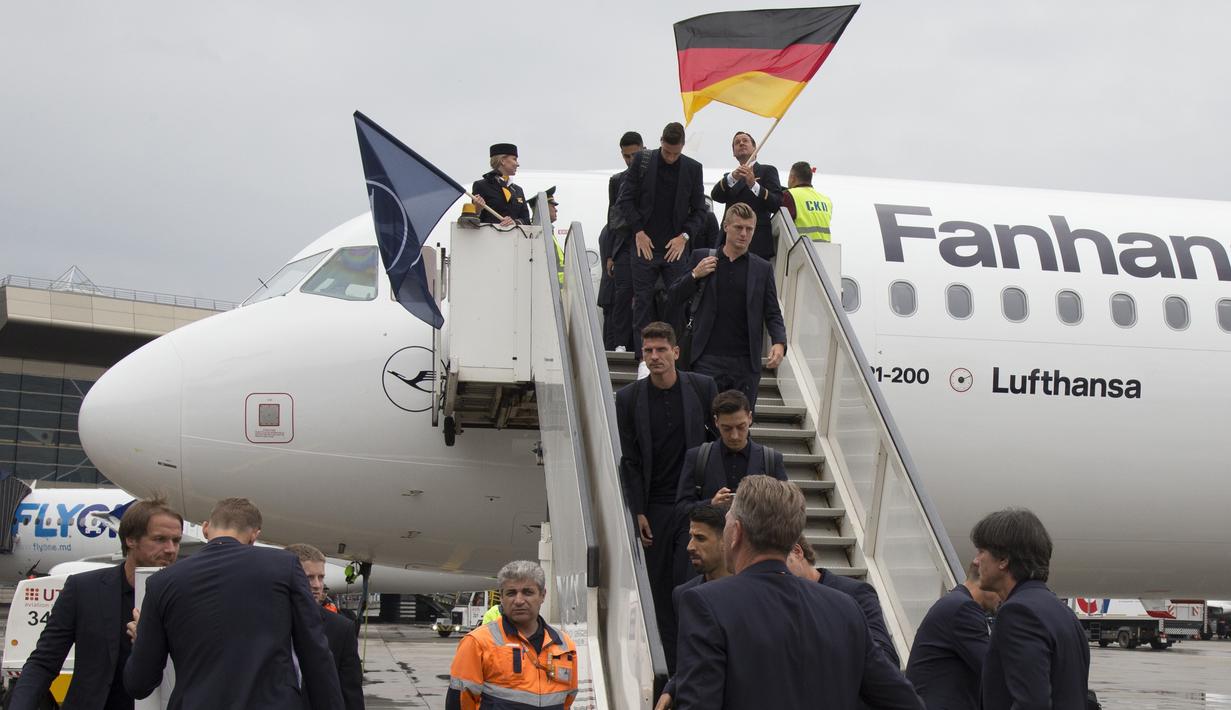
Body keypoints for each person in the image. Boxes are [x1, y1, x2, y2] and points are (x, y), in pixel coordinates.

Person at [673, 476, 924, 710]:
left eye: (727, 522)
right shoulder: (845, 609)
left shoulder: (707, 604)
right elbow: (906, 702)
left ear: (736, 532)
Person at [124, 498, 343, 710]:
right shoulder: (284, 566)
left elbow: (139, 683)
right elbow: (316, 654)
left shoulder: (162, 582)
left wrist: (144, 638)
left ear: (206, 528)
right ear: (254, 535)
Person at [8, 498, 183, 710]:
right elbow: (43, 662)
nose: (171, 549)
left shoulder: (186, 597)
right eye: (160, 539)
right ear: (130, 539)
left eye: (176, 540)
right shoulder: (83, 589)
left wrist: (151, 644)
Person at [615, 321, 717, 671]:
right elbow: (630, 459)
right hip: (655, 507)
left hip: (693, 505)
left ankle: (694, 663)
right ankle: (670, 669)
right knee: (659, 592)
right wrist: (637, 510)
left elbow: (715, 442)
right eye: (648, 351)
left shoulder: (702, 387)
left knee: (691, 586)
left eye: (661, 350)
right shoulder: (628, 398)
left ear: (676, 352)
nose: (654, 356)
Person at [669, 202, 787, 410]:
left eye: (749, 229)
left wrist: (779, 342)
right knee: (702, 418)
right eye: (738, 227)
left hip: (745, 362)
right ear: (725, 227)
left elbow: (772, 312)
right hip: (706, 357)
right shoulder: (702, 257)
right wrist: (695, 274)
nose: (744, 234)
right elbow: (674, 295)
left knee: (741, 423)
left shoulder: (762, 268)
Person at [973, 508, 1090, 709]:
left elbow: (1031, 703)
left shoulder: (1018, 613)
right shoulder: (1063, 612)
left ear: (1004, 560)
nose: (976, 561)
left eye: (981, 551)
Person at [616, 122, 707, 351]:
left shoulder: (693, 168)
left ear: (683, 146)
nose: (671, 157)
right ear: (661, 142)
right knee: (642, 301)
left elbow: (700, 211)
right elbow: (625, 200)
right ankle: (643, 356)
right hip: (644, 243)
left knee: (677, 300)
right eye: (667, 152)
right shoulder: (642, 161)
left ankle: (674, 354)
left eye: (676, 153)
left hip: (675, 246)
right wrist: (638, 231)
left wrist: (684, 236)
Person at [446, 561, 578, 710]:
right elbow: (459, 702)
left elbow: (567, 699)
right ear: (501, 597)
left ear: (542, 595)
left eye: (528, 592)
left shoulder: (564, 645)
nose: (519, 601)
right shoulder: (477, 643)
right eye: (511, 593)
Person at [654, 504, 729, 710]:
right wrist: (671, 689)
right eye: (690, 537)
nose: (689, 546)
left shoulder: (749, 592)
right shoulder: (683, 595)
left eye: (700, 538)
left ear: (725, 542)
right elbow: (688, 660)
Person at [786, 535, 901, 668]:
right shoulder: (779, 602)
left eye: (777, 564)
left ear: (797, 552)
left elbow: (887, 659)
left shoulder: (855, 593)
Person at [675, 389, 786, 516]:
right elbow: (681, 509)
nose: (734, 436)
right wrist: (711, 504)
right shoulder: (696, 457)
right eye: (727, 428)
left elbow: (786, 508)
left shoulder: (772, 460)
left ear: (750, 418)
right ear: (716, 422)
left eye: (741, 427)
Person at [905, 562, 999, 710]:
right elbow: (993, 668)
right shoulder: (964, 609)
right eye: (1001, 586)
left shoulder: (955, 603)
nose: (1005, 594)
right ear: (984, 581)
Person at [286, 543, 365, 710]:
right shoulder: (264, 622)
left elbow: (351, 694)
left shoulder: (341, 629)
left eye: (321, 577)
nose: (317, 585)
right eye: (309, 577)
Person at [709, 131, 783, 260]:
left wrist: (754, 185)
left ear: (755, 148)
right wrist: (732, 177)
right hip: (728, 243)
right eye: (737, 142)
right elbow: (716, 196)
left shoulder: (767, 171)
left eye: (745, 140)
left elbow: (776, 203)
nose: (741, 143)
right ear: (734, 153)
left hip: (756, 242)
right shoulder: (730, 177)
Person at [605, 131, 644, 352]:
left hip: (648, 243)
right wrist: (610, 254)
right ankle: (620, 342)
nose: (630, 160)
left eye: (634, 155)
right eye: (626, 156)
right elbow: (611, 218)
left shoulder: (653, 176)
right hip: (624, 245)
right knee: (623, 294)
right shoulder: (617, 181)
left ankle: (642, 344)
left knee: (645, 296)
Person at [472, 143, 529, 226]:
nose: (517, 164)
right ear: (503, 161)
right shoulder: (482, 185)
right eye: (514, 159)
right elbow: (473, 219)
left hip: (515, 234)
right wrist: (477, 209)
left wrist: (514, 223)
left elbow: (526, 220)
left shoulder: (518, 190)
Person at [782, 161, 834, 242]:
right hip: (825, 248)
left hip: (801, 247)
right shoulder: (826, 200)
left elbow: (781, 224)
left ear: (792, 178)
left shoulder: (789, 195)